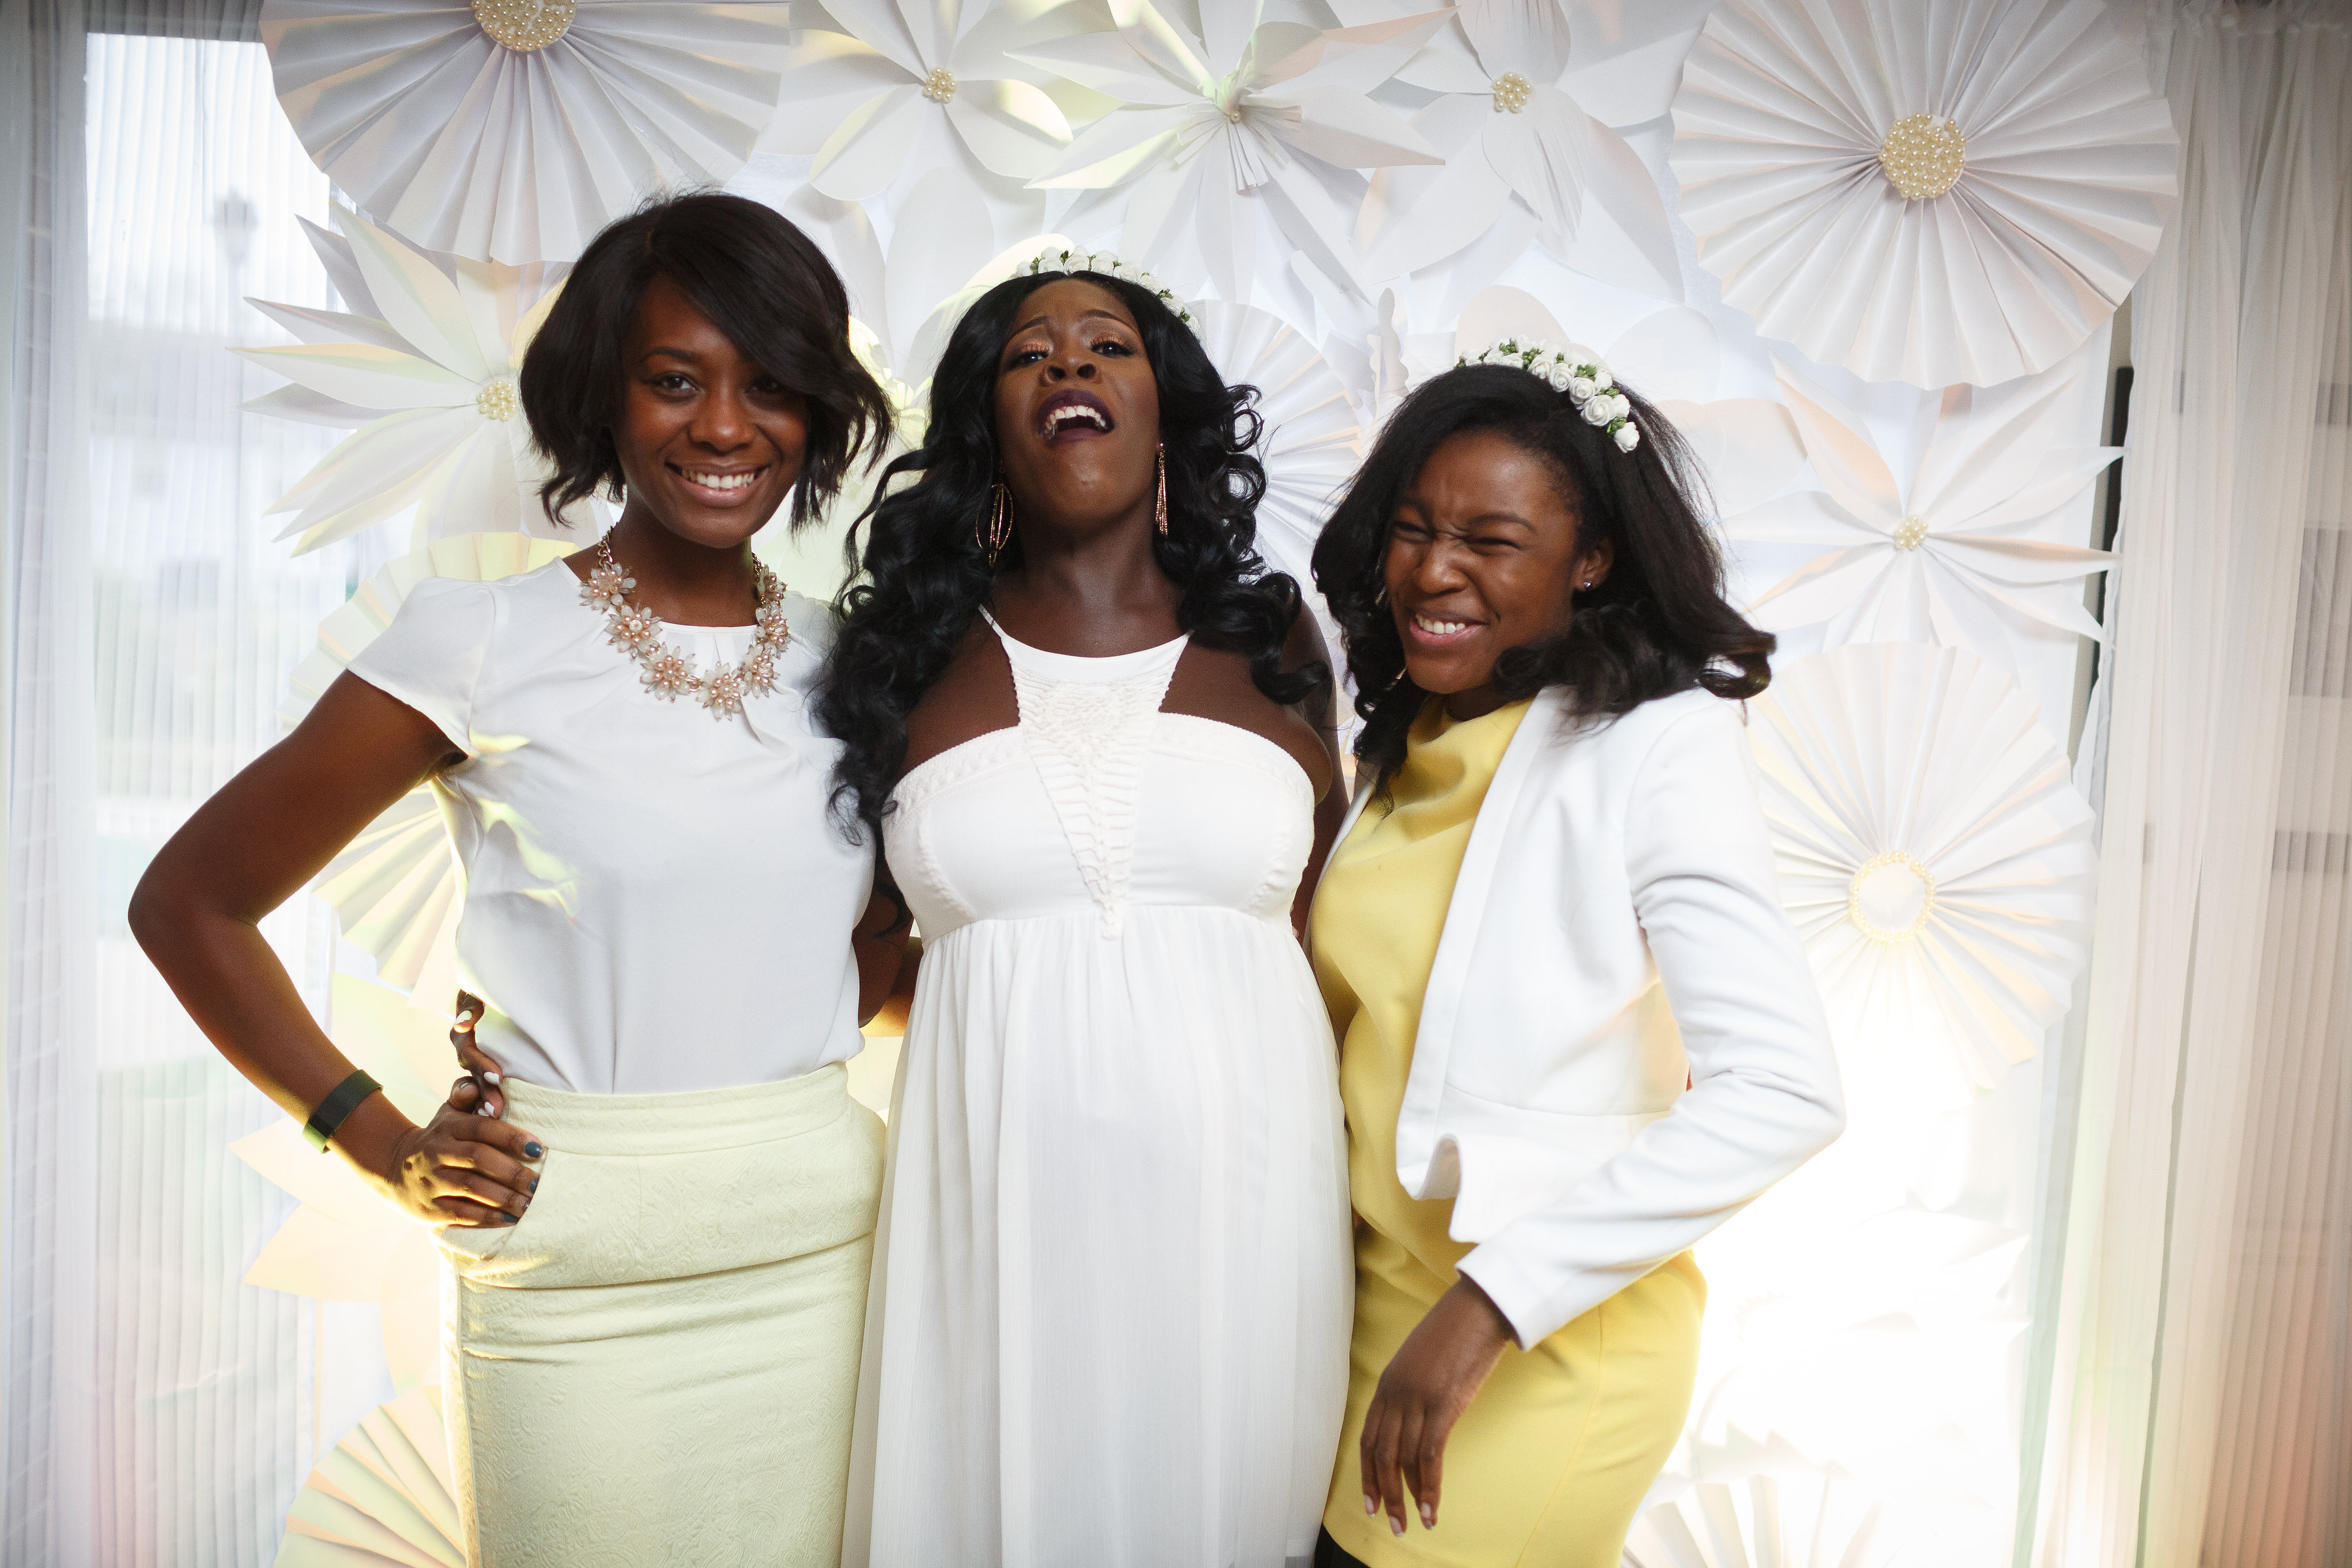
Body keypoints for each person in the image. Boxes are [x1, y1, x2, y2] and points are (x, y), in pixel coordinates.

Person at [130, 192, 905, 1567]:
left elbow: (866, 965)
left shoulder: (854, 666)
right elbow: (190, 904)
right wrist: (385, 1145)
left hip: (821, 1264)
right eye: (676, 381)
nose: (726, 427)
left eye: (771, 386)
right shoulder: (480, 640)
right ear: (603, 393)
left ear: (816, 412)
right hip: (572, 1288)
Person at [817, 255, 1352, 1567]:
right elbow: (860, 963)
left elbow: (1324, 935)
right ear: (986, 432)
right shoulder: (904, 663)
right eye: (1029, 352)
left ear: (1163, 409)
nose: (1069, 362)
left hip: (1252, 1220)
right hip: (998, 1222)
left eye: (1108, 344)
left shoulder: (1275, 640)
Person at [1301, 346, 1845, 1567]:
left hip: (1540, 1339)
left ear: (1590, 558)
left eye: (1491, 541)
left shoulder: (1658, 747)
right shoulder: (1405, 741)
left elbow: (1787, 1092)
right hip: (1376, 1323)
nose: (1433, 570)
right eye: (1413, 529)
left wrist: (1492, 1304)